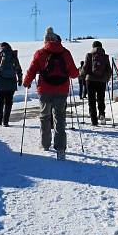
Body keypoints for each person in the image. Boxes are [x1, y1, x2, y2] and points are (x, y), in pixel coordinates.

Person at [22, 27, 79, 159]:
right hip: (62, 90)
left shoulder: (40, 53)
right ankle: (60, 149)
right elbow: (74, 74)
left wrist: (26, 82)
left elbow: (31, 70)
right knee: (59, 118)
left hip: (45, 90)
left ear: (46, 40)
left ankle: (45, 144)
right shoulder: (66, 53)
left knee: (45, 116)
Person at [0, 42, 22, 127]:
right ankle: (5, 121)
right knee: (8, 102)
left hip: (0, 83)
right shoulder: (13, 56)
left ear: (1, 47)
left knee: (0, 102)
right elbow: (18, 69)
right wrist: (20, 78)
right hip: (11, 83)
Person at [80, 40, 112, 126]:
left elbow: (85, 67)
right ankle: (102, 114)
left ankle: (94, 120)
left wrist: (82, 75)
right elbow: (109, 70)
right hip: (101, 81)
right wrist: (106, 78)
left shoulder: (89, 55)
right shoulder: (105, 57)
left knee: (91, 100)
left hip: (90, 80)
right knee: (101, 99)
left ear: (93, 47)